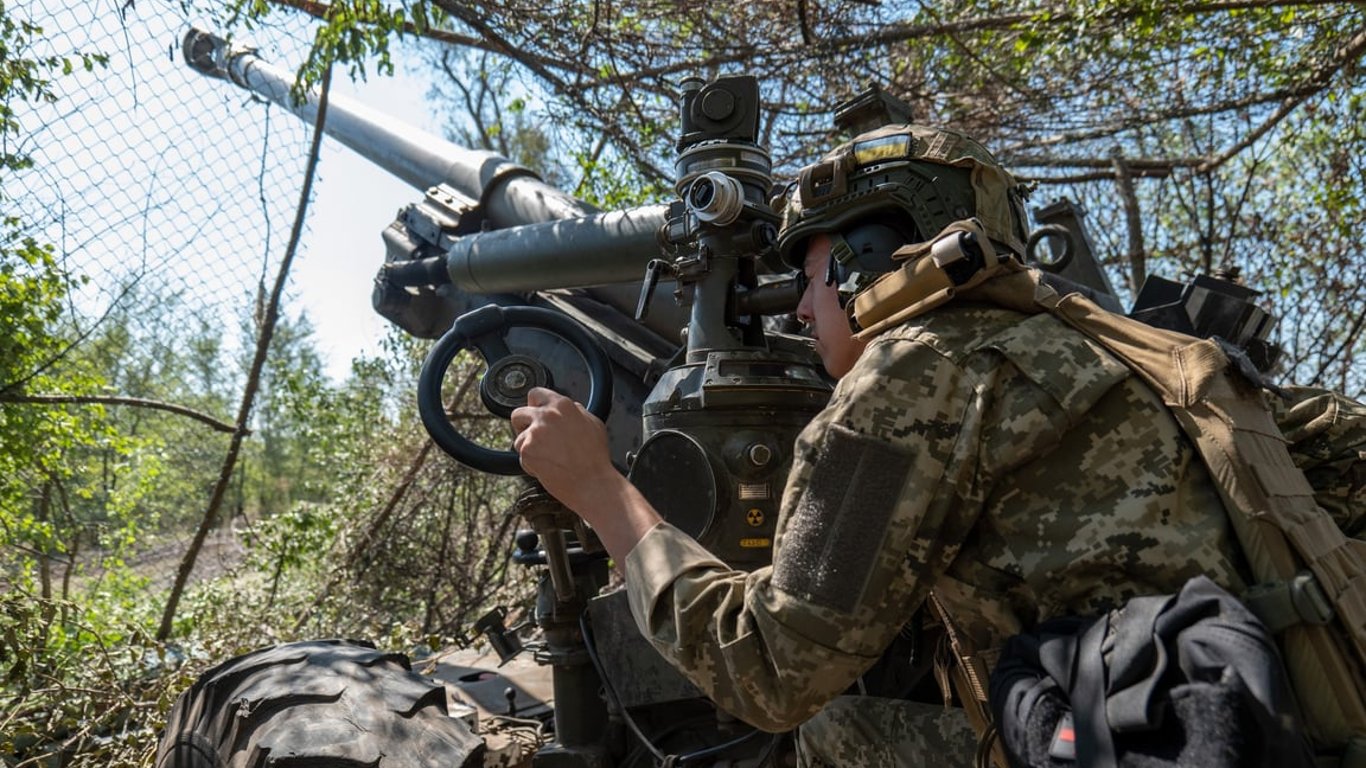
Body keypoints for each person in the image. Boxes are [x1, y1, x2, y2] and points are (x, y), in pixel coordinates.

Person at [510, 124, 1254, 766]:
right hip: (1232, 717)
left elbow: (771, 670)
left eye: (807, 277)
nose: (798, 310)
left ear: (865, 257)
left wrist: (600, 488)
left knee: (836, 729)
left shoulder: (919, 370)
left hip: (1131, 740)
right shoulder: (1099, 345)